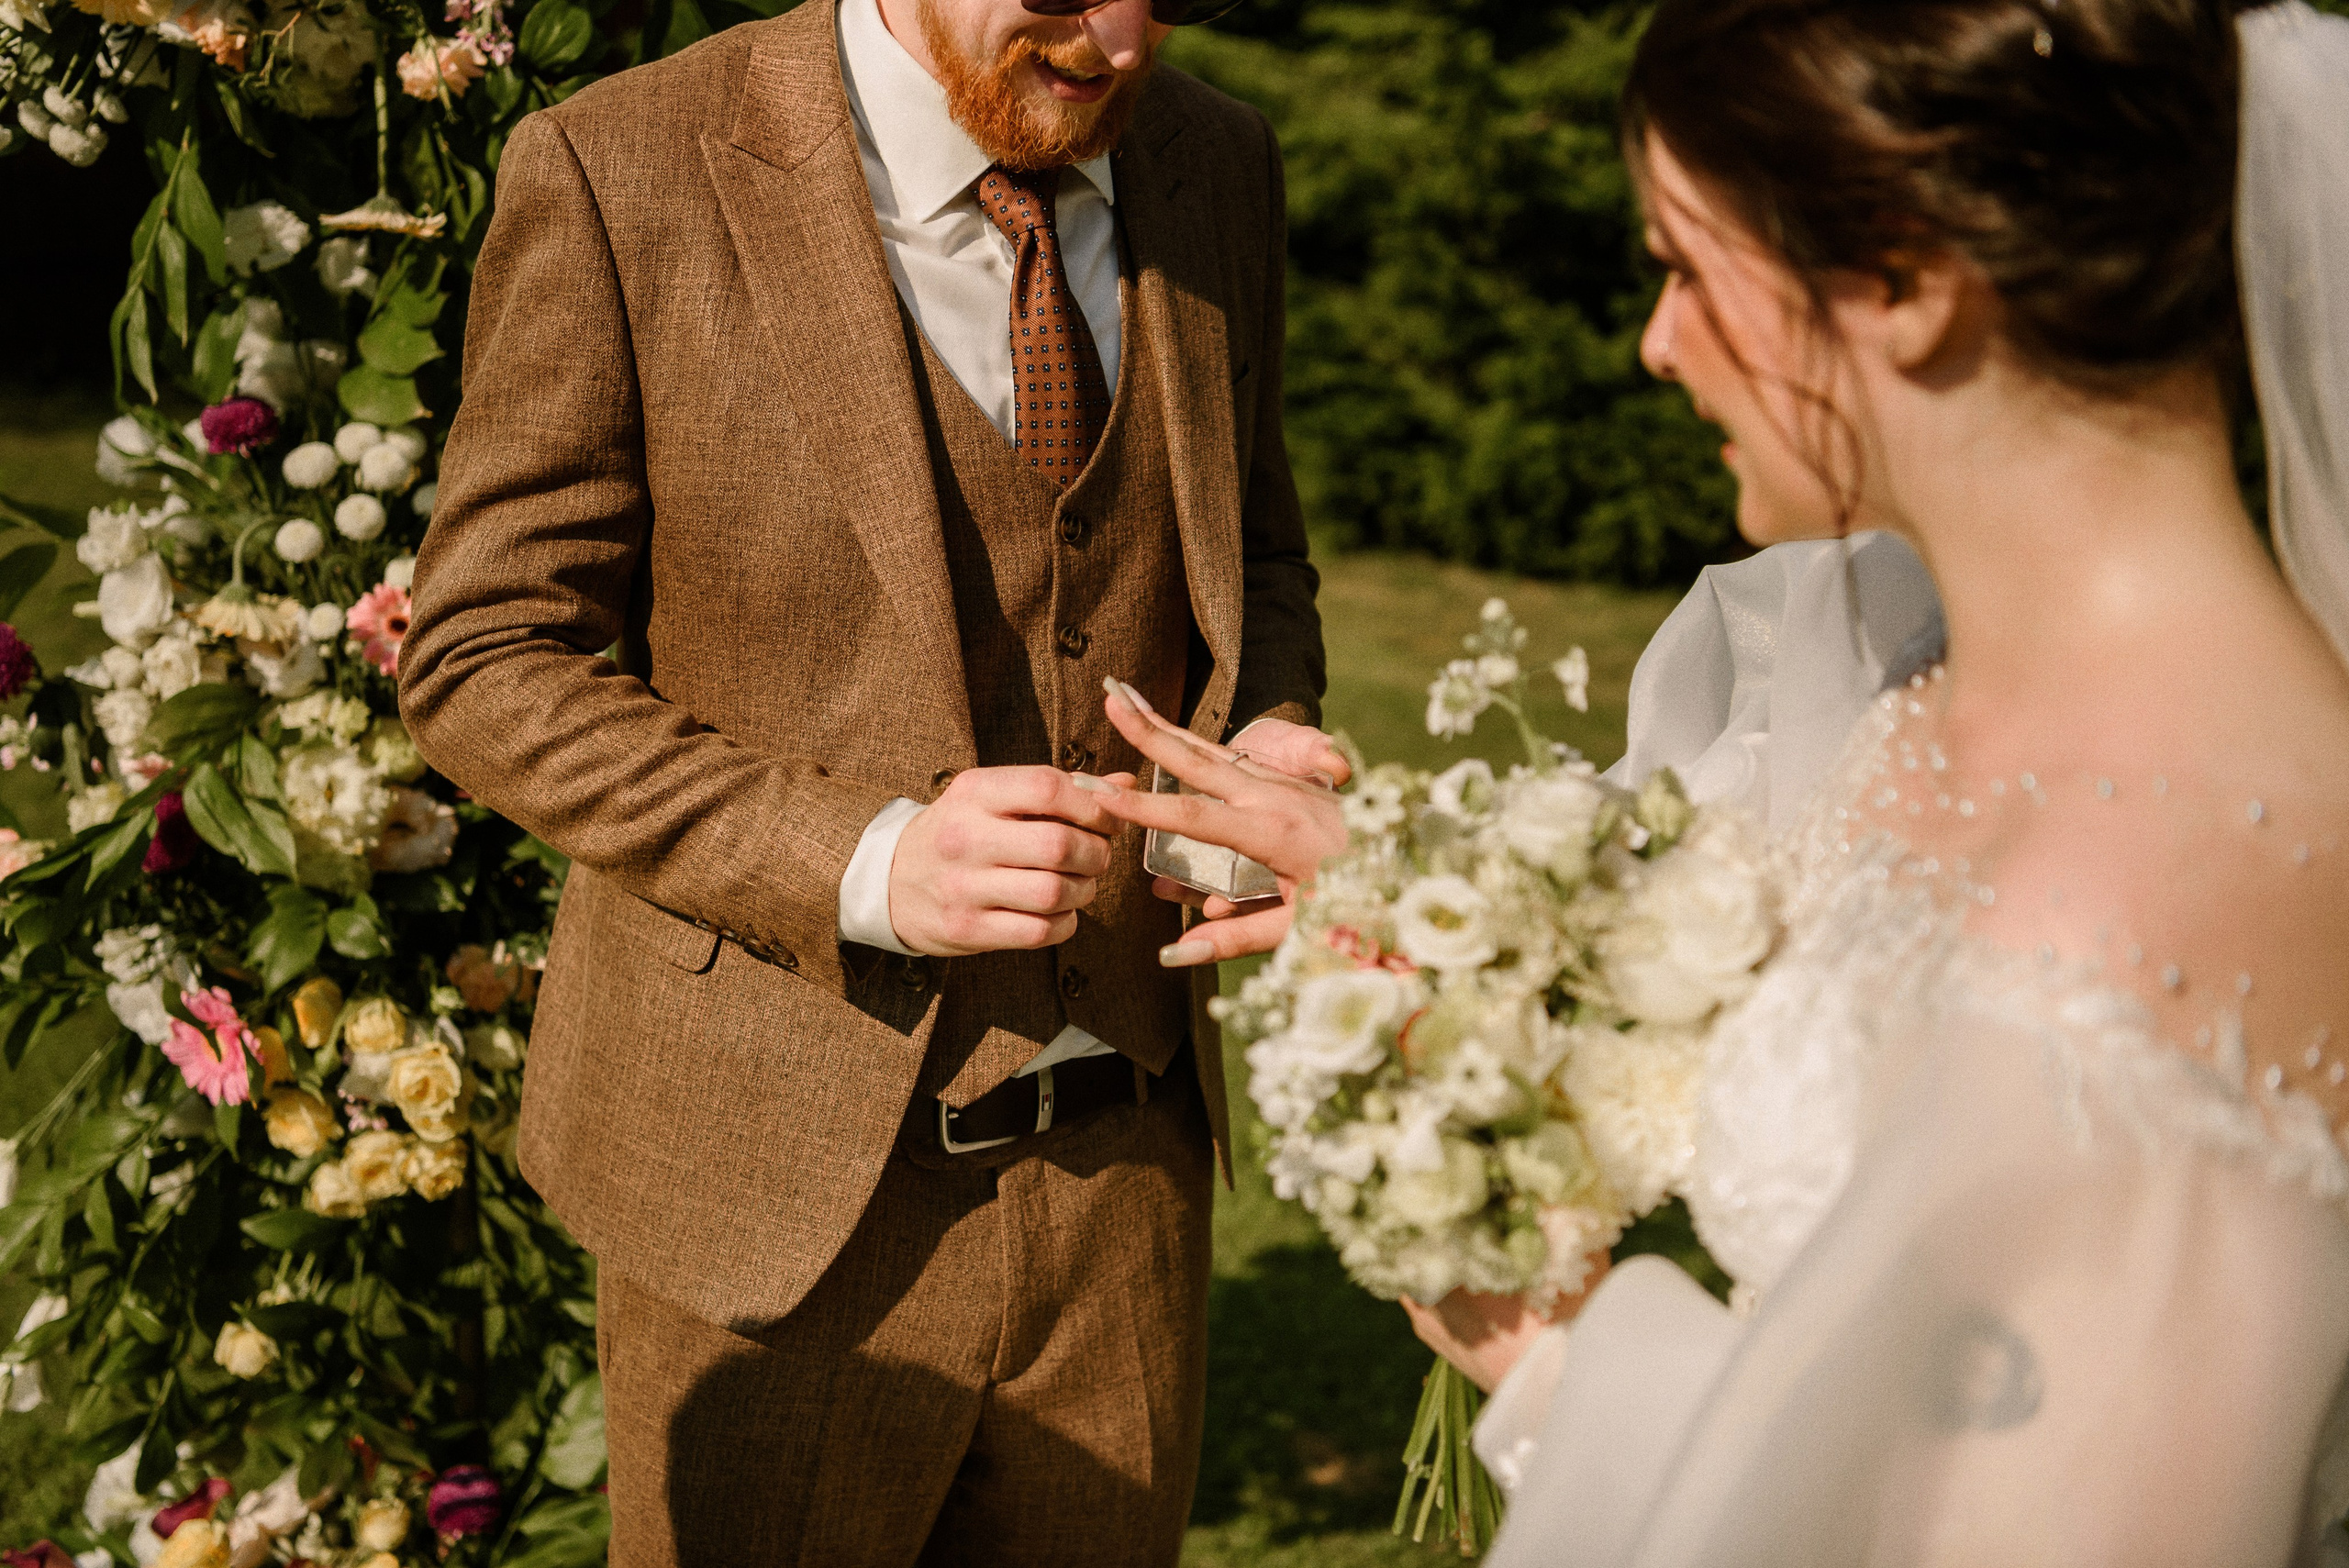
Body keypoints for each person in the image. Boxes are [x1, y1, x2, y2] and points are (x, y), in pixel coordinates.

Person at [1086, 0, 2349, 1559]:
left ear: (1903, 277)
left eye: (1688, 265)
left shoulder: (2179, 851)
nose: (1656, 342)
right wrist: (1408, 891)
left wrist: (1557, 1366)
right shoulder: (1929, 701)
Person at [396, 0, 1341, 1561]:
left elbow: (1261, 550)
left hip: (1133, 1172)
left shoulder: (1217, 159)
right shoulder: (617, 165)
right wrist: (861, 858)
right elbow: (486, 652)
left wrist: (1269, 722)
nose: (1108, 38)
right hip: (777, 1198)